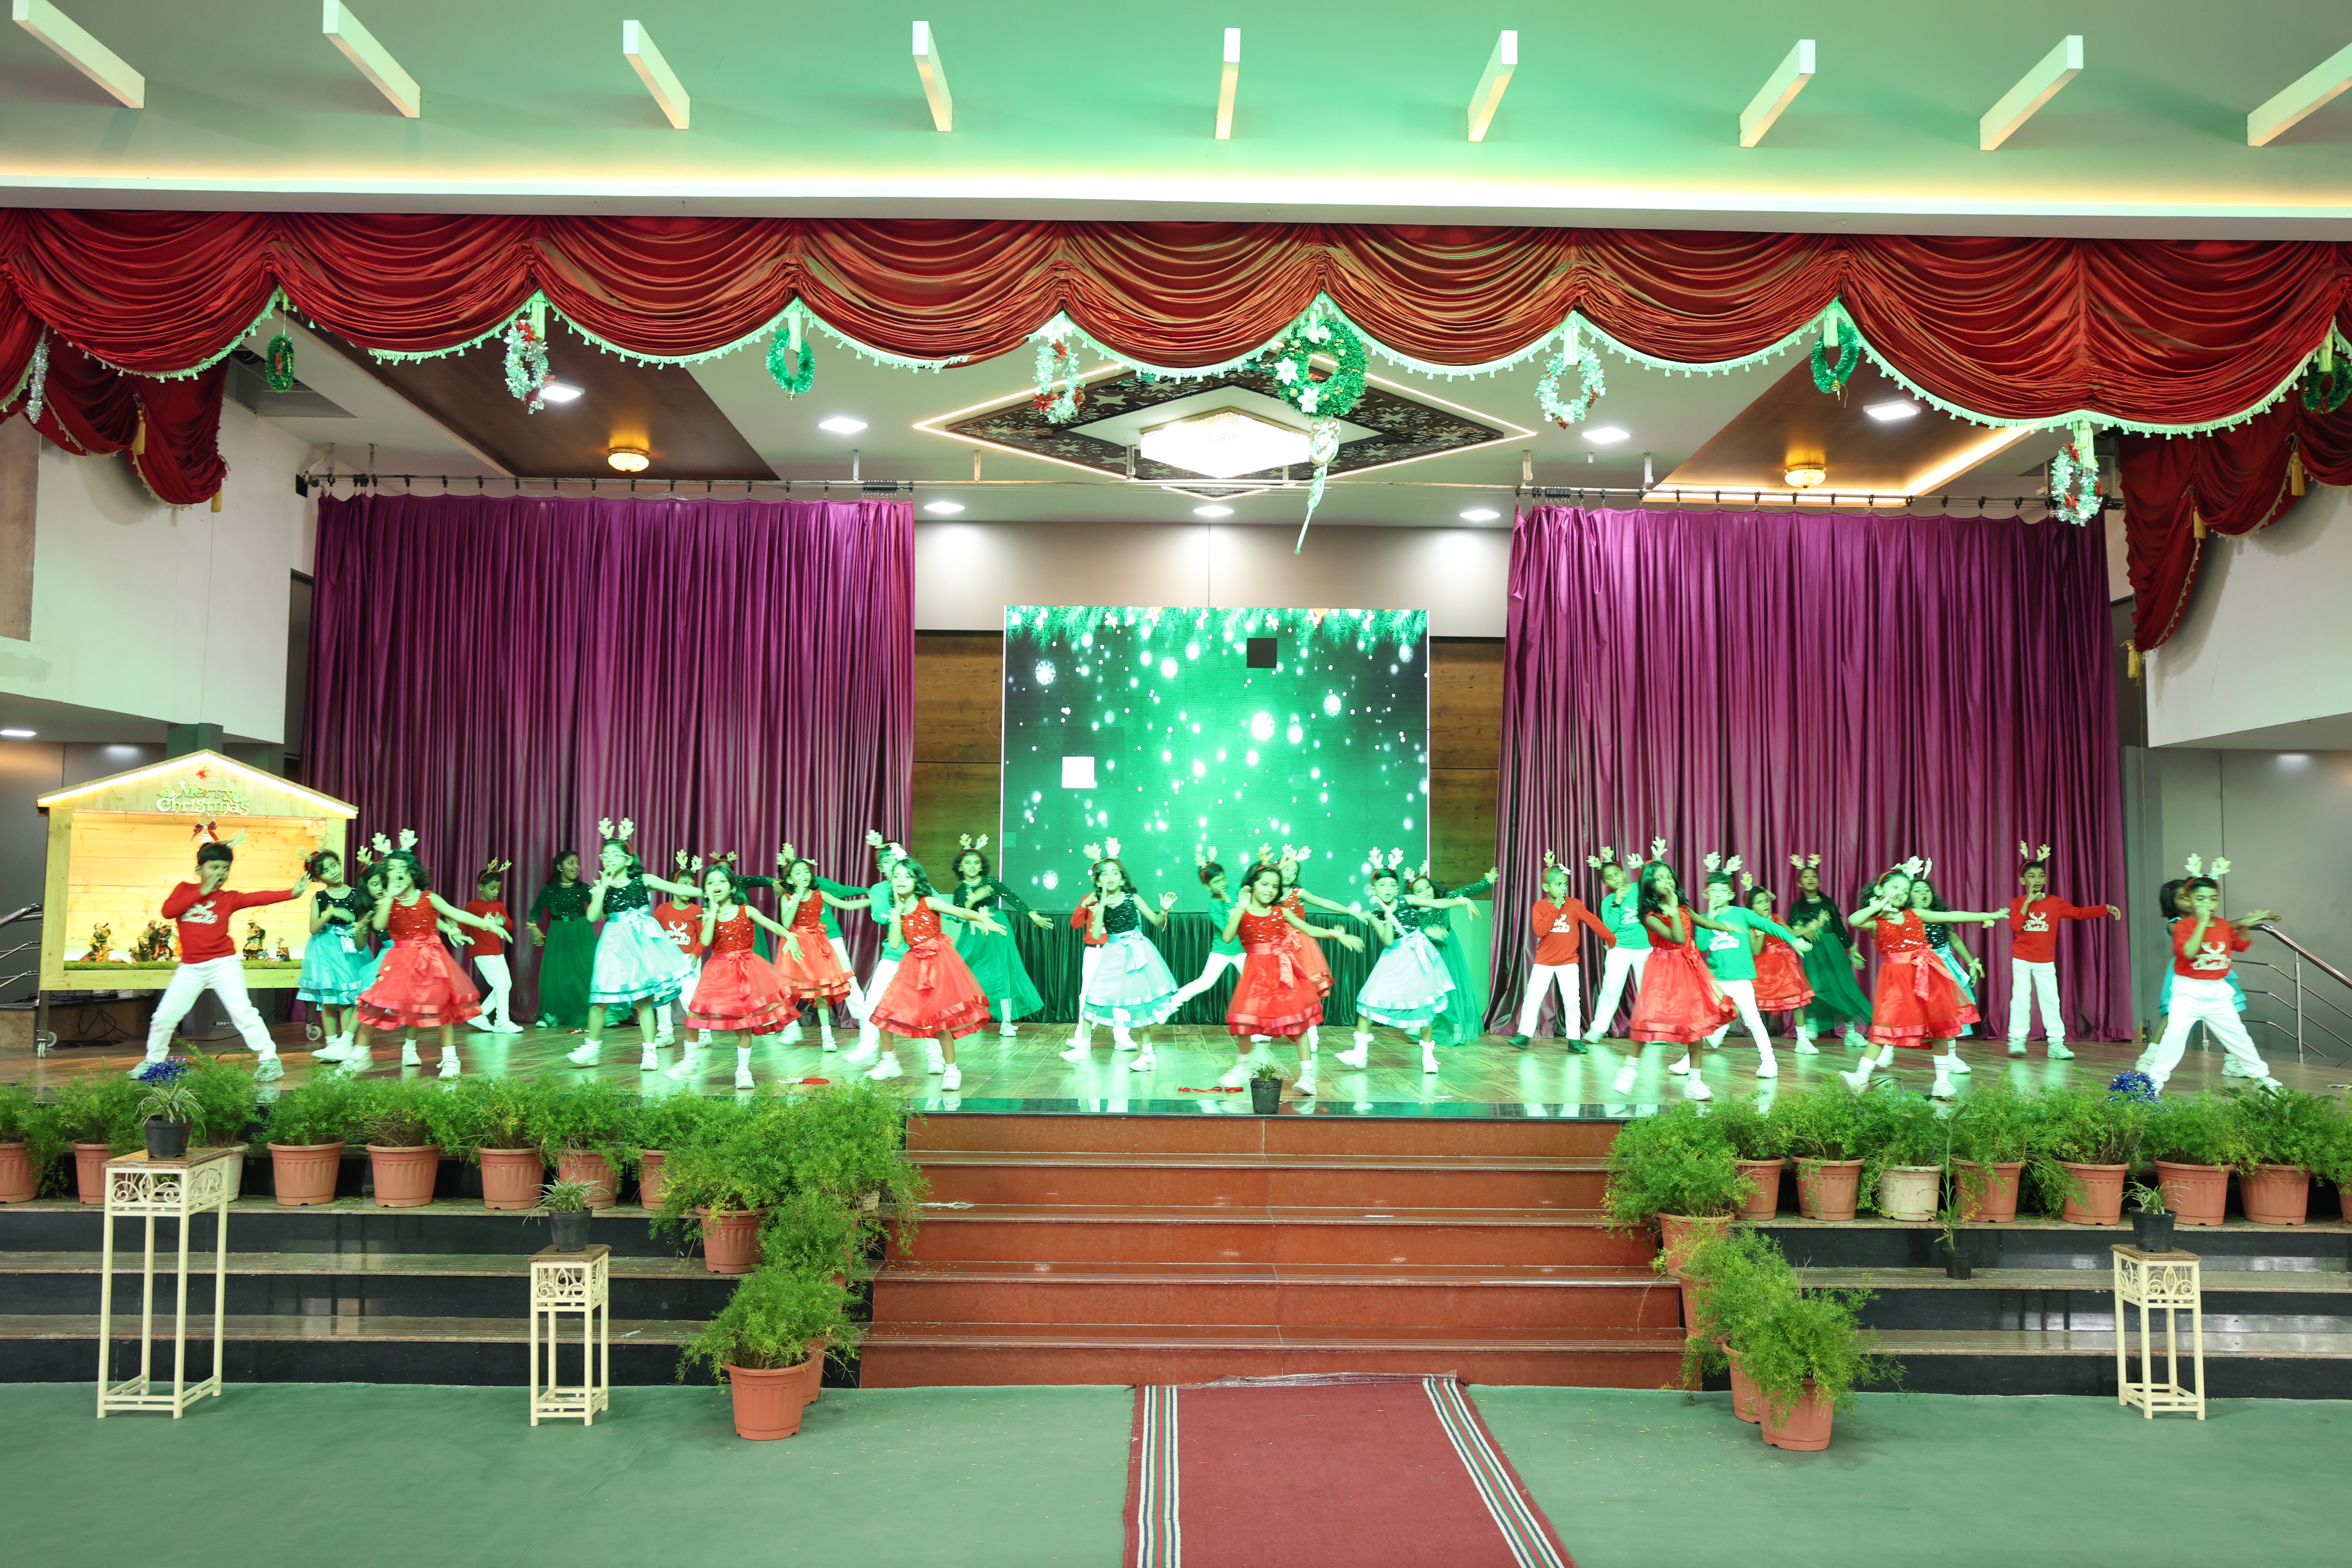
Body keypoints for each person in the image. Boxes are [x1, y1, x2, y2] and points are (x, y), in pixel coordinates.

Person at [135, 832, 308, 1079]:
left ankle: (269, 1059)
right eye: (214, 867)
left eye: (225, 868)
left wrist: (291, 893)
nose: (221, 873)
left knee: (243, 1012)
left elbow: (257, 898)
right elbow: (168, 911)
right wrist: (203, 890)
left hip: (223, 964)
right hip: (191, 967)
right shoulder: (184, 890)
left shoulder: (229, 898)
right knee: (163, 1017)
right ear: (199, 869)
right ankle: (153, 1062)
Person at [1838, 862, 2004, 1099]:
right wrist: (1878, 906)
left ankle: (1942, 1082)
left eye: (1906, 891)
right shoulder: (1875, 923)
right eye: (1895, 887)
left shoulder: (1914, 914)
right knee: (1883, 1028)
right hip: (1896, 982)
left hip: (1928, 977)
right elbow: (1854, 921)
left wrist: (1985, 915)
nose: (1901, 893)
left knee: (1940, 1029)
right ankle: (1861, 1077)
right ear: (1879, 890)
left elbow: (1950, 916)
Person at [351, 834, 509, 1077]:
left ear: (413, 872)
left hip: (431, 961)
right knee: (376, 1004)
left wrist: (490, 925)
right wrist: (389, 897)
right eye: (391, 870)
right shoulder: (388, 902)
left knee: (440, 1008)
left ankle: (450, 1058)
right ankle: (361, 1054)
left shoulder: (428, 898)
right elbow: (380, 925)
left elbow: (457, 914)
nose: (397, 874)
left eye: (402, 869)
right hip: (399, 962)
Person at [1215, 864, 1363, 1097]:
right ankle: (1242, 1066)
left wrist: (1337, 934)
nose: (1270, 890)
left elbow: (1308, 929)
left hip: (1283, 975)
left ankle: (1307, 1077)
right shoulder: (1241, 912)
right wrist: (1240, 908)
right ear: (1251, 885)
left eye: (1275, 886)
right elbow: (1227, 937)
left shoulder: (1281, 912)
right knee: (1244, 1020)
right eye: (1265, 884)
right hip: (1256, 976)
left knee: (1299, 1025)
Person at [564, 821, 701, 1072]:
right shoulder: (602, 887)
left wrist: (712, 893)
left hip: (642, 943)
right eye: (605, 855)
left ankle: (650, 1052)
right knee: (599, 999)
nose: (609, 859)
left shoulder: (643, 880)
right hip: (613, 943)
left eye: (615, 855)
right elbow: (592, 916)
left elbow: (676, 888)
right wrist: (602, 888)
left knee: (643, 1001)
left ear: (628, 860)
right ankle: (591, 1049)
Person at [864, 855, 1007, 1090]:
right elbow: (896, 944)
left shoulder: (928, 901)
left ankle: (952, 1070)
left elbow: (959, 912)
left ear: (916, 880)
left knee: (941, 1022)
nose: (901, 880)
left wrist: (982, 918)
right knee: (884, 1013)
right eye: (897, 876)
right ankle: (889, 1061)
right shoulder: (898, 911)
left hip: (938, 963)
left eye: (907, 876)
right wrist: (897, 914)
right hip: (913, 966)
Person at [2144, 862, 2282, 1092]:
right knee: (2174, 1037)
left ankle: (2263, 1079)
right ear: (2189, 900)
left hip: (2218, 993)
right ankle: (2154, 1081)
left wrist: (2245, 925)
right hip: (2188, 993)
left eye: (2213, 899)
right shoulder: (2183, 926)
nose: (2207, 904)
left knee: (2239, 1037)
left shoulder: (2223, 925)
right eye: (2201, 899)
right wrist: (2201, 923)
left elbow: (2241, 946)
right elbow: (2189, 952)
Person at [1349, 859, 1482, 1074]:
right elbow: (1388, 940)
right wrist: (1389, 917)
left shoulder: (1407, 899)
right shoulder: (1376, 915)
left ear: (1397, 888)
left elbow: (1438, 904)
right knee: (1368, 1002)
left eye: (1392, 885)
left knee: (1425, 1007)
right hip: (1394, 959)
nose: (1388, 889)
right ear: (1374, 889)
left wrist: (1462, 901)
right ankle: (1360, 1053)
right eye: (1383, 885)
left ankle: (1429, 1057)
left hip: (1418, 957)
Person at [680, 860, 803, 1089]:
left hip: (746, 970)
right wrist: (712, 913)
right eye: (710, 882)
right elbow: (705, 941)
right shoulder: (709, 915)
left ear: (733, 887)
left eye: (721, 881)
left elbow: (773, 926)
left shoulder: (747, 910)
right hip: (717, 972)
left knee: (745, 1023)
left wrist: (790, 936)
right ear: (705, 890)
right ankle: (690, 1063)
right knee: (694, 1016)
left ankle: (743, 1071)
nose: (716, 885)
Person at [1692, 859, 1812, 1079]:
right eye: (1713, 891)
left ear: (1730, 894)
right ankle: (1689, 1063)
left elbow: (1770, 926)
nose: (1718, 895)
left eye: (1722, 890)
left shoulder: (1741, 914)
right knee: (1703, 1022)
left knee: (1753, 1020)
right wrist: (1709, 918)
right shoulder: (1705, 919)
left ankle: (1769, 1063)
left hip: (1740, 979)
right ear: (1706, 894)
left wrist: (1794, 940)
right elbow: (1701, 945)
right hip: (1716, 980)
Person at [1064, 855, 1182, 1071]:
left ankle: (1148, 1056)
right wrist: (1100, 906)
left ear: (1122, 879)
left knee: (1138, 1005)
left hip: (1135, 953)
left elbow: (1158, 922)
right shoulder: (1101, 905)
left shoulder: (1133, 899)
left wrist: (1164, 910)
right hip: (1112, 953)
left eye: (1114, 873)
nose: (1110, 877)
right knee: (1092, 998)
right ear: (1098, 881)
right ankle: (1082, 1049)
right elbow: (1097, 934)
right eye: (1104, 874)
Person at [2003, 846, 2121, 1061]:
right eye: (2031, 876)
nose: (2037, 880)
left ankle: (2056, 1043)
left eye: (2041, 876)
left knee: (2051, 1001)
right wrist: (2028, 901)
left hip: (2045, 961)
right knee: (2020, 999)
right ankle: (2017, 1040)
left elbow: (2079, 913)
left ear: (2046, 879)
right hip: (2021, 959)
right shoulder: (2017, 903)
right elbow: (2016, 926)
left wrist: (2104, 908)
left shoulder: (2054, 903)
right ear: (2023, 881)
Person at [946, 838, 1053, 1038]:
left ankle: (1006, 1022)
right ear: (960, 867)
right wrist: (973, 899)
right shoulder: (961, 890)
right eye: (968, 862)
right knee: (964, 972)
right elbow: (959, 915)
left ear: (982, 866)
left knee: (1003, 973)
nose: (972, 866)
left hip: (997, 930)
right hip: (974, 933)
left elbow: (1012, 898)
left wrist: (1033, 916)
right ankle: (965, 1018)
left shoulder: (991, 883)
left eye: (976, 862)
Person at [1507, 855, 1614, 1052]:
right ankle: (1524, 1035)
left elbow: (1593, 922)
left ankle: (1574, 1040)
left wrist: (1610, 938)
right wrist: (1555, 909)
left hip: (1568, 962)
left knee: (1572, 1002)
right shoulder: (1539, 907)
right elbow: (1540, 931)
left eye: (1565, 884)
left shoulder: (1575, 904)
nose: (1563, 889)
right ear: (1546, 887)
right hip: (1544, 962)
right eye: (1558, 885)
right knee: (1532, 998)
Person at [770, 857, 868, 1051]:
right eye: (798, 873)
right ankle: (791, 1027)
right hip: (796, 946)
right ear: (790, 879)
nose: (804, 875)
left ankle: (827, 1037)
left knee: (821, 991)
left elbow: (847, 905)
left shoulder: (819, 894)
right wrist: (797, 897)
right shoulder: (787, 898)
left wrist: (873, 900)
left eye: (806, 871)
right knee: (788, 989)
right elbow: (786, 923)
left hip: (817, 945)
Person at [1785, 857, 1873, 1052]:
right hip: (1813, 950)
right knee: (1815, 986)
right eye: (1806, 877)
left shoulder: (1828, 903)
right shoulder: (1798, 906)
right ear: (1799, 883)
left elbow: (1839, 928)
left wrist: (1851, 949)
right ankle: (1811, 1022)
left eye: (1814, 876)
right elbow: (1791, 929)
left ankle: (1851, 1032)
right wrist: (1806, 929)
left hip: (1833, 948)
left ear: (1819, 881)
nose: (1810, 879)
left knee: (1842, 988)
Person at [295, 847, 373, 1064]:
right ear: (318, 878)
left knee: (347, 998)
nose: (334, 872)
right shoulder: (319, 898)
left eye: (334, 866)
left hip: (349, 950)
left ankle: (345, 1045)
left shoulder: (356, 894)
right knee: (327, 1000)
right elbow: (313, 928)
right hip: (324, 951)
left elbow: (363, 921)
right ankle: (331, 1044)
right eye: (326, 871)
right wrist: (329, 913)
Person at [1580, 849, 1648, 1044]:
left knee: (1648, 990)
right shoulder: (1608, 902)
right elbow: (1609, 929)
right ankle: (1598, 1029)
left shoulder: (1639, 889)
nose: (1615, 879)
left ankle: (1652, 1031)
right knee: (1611, 989)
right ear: (1605, 883)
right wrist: (1617, 904)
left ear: (1624, 874)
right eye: (1609, 878)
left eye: (1617, 874)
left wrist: (1643, 866)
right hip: (1619, 949)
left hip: (1645, 948)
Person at [1168, 855, 1245, 1015]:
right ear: (1207, 887)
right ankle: (1172, 1003)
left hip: (1243, 949)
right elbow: (1229, 930)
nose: (1222, 884)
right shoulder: (1213, 906)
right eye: (1217, 882)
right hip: (1222, 949)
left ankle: (1265, 1023)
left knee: (1256, 984)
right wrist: (1227, 902)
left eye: (1223, 879)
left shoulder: (1237, 888)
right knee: (1205, 983)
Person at [528, 850, 595, 1028]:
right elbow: (535, 912)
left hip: (581, 931)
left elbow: (598, 905)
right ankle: (551, 1014)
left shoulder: (583, 888)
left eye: (578, 863)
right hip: (558, 933)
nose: (576, 867)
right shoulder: (550, 889)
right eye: (571, 863)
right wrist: (534, 928)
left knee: (586, 972)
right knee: (556, 975)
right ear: (559, 867)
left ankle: (599, 1012)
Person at [1743, 885, 1815, 1044]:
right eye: (1760, 903)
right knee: (1753, 1003)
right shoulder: (1751, 925)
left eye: (1766, 901)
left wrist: (1811, 928)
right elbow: (1756, 950)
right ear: (1752, 908)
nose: (1765, 905)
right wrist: (1762, 930)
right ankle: (1758, 1040)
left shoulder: (1776, 917)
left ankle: (1803, 1041)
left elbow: (1790, 933)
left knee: (1796, 1000)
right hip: (1764, 967)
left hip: (1785, 963)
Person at [1914, 876, 1984, 1040]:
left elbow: (1955, 940)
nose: (1923, 894)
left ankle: (1948, 1036)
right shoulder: (1906, 917)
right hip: (1919, 966)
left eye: (1927, 890)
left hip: (1943, 964)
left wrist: (1971, 963)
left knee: (1948, 1001)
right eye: (1917, 891)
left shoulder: (1940, 916)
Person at [652, 853, 708, 1052]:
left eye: (692, 885)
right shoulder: (662, 909)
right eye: (684, 883)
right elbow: (655, 934)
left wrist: (696, 954)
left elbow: (703, 938)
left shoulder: (697, 911)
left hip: (688, 960)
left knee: (688, 998)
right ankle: (665, 1033)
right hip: (666, 960)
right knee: (662, 997)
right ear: (673, 886)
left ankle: (703, 1032)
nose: (688, 888)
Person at [462, 860, 523, 1034]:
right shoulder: (473, 905)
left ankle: (479, 1014)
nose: (496, 892)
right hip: (481, 951)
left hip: (497, 952)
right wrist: (454, 929)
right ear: (481, 887)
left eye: (498, 889)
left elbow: (509, 926)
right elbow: (462, 923)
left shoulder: (499, 906)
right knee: (501, 985)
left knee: (506, 984)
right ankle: (502, 1021)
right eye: (492, 888)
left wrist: (502, 921)